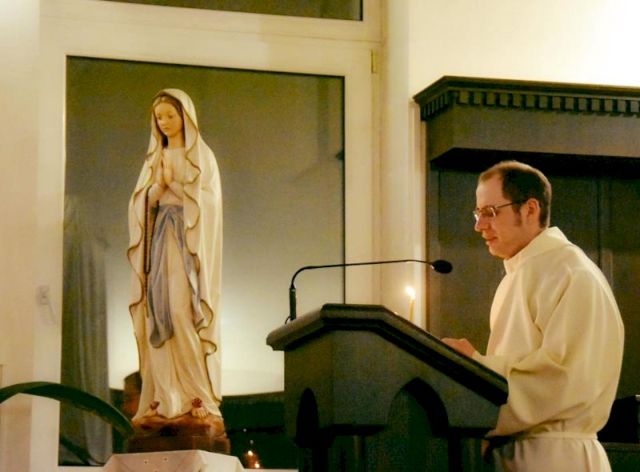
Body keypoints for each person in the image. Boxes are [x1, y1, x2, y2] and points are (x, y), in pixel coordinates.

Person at [442, 160, 624, 471]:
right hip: (517, 453)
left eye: (490, 212)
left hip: (556, 457)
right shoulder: (520, 273)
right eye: (477, 213)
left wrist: (474, 368)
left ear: (529, 209)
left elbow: (564, 377)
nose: (479, 226)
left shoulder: (570, 272)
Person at [127, 89, 223, 423]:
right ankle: (163, 396)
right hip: (160, 242)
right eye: (159, 117)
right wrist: (158, 188)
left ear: (185, 116)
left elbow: (209, 204)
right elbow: (142, 204)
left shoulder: (202, 156)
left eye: (170, 115)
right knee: (159, 313)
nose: (165, 122)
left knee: (184, 312)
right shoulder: (155, 157)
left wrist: (176, 186)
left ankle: (197, 395)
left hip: (188, 244)